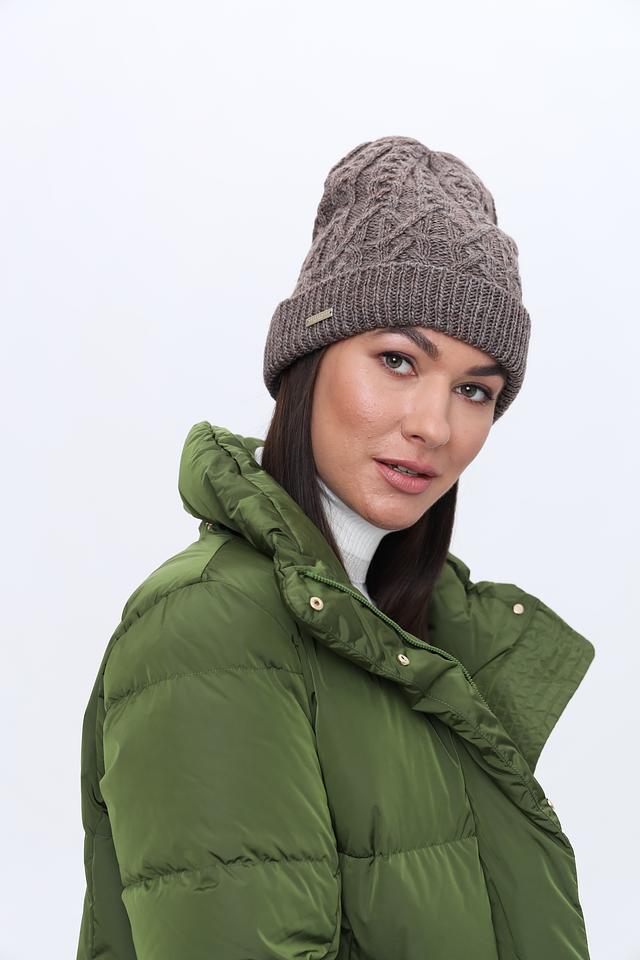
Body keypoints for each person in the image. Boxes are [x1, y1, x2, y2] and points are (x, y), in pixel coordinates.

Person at [76, 135, 595, 960]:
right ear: (309, 359)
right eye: (398, 360)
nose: (435, 425)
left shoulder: (411, 637)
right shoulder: (208, 629)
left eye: (475, 389)